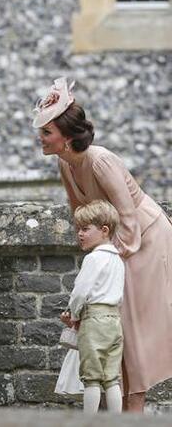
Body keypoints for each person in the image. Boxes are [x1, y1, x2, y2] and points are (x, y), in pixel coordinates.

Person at [34, 77, 172, 412]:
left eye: (47, 133)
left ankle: (133, 406)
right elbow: (79, 212)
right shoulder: (65, 162)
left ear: (66, 137)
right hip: (114, 244)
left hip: (145, 239)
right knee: (113, 322)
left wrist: (110, 256)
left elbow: (127, 215)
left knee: (131, 325)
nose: (41, 139)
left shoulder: (100, 160)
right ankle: (120, 405)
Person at [60, 200, 124, 413]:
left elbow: (80, 292)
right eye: (78, 229)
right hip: (114, 321)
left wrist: (73, 314)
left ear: (104, 230)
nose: (80, 234)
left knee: (92, 378)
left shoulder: (94, 258)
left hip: (94, 321)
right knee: (112, 378)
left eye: (85, 229)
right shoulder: (118, 260)